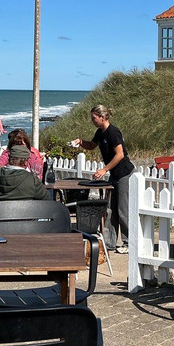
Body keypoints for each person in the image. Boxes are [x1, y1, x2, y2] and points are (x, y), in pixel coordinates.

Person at [74, 105, 136, 252]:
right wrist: (80, 142)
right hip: (114, 175)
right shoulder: (100, 132)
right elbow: (91, 145)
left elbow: (120, 154)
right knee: (110, 210)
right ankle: (109, 243)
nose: (92, 121)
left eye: (94, 118)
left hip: (124, 174)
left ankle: (128, 243)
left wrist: (104, 169)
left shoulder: (113, 132)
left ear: (102, 117)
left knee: (123, 210)